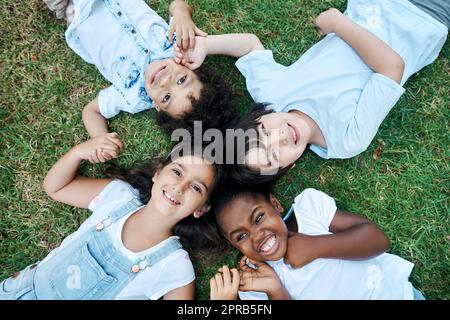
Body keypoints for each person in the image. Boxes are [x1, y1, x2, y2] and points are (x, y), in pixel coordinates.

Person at [213, 0, 449, 185]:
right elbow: (391, 67)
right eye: (273, 155)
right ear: (288, 167)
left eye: (263, 131)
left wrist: (205, 46)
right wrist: (338, 25)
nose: (280, 137)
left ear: (259, 116)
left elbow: (249, 46)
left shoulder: (271, 94)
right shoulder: (345, 139)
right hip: (423, 17)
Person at [0, 135, 223, 299]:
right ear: (157, 174)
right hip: (23, 290)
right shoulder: (118, 196)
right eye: (176, 172)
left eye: (196, 188)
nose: (179, 187)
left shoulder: (175, 265)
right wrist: (78, 152)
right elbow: (56, 188)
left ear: (201, 209)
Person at [42, 0, 237, 148]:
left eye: (167, 97)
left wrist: (99, 138)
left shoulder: (131, 98)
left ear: (158, 107)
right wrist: (182, 15)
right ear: (193, 69)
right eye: (182, 79)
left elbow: (92, 111)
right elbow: (178, 4)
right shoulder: (179, 46)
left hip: (76, 12)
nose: (165, 82)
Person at [208, 183, 425, 300]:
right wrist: (275, 290)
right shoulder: (255, 284)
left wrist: (316, 247)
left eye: (258, 218)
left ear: (276, 205)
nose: (256, 236)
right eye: (241, 236)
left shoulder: (308, 210)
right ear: (233, 245)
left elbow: (379, 240)